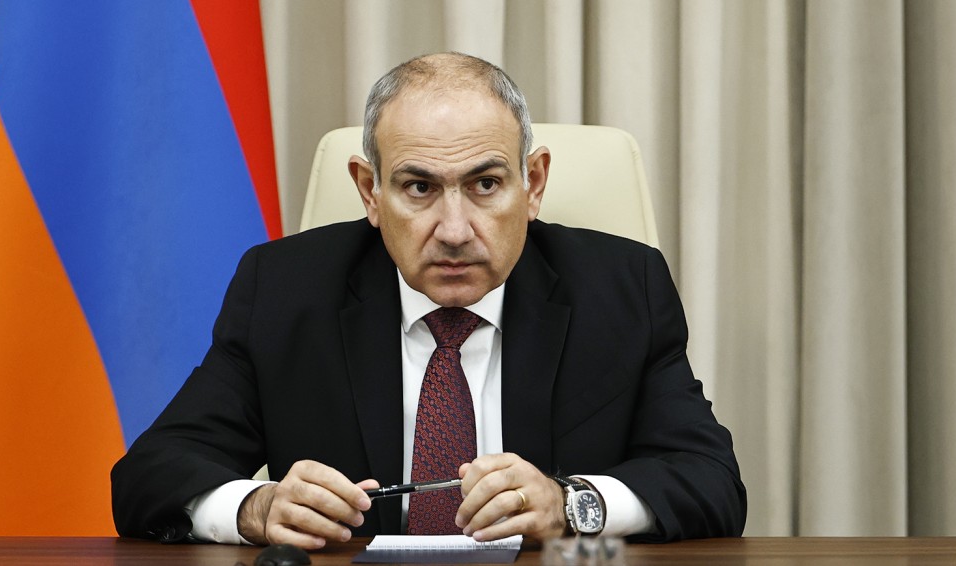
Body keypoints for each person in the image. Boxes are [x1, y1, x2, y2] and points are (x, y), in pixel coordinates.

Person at [111, 52, 746, 548]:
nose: (454, 230)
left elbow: (710, 479)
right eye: (419, 188)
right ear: (369, 191)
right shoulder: (283, 289)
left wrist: (570, 504)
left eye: (486, 184)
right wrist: (256, 508)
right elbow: (149, 475)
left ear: (533, 183)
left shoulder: (622, 288)